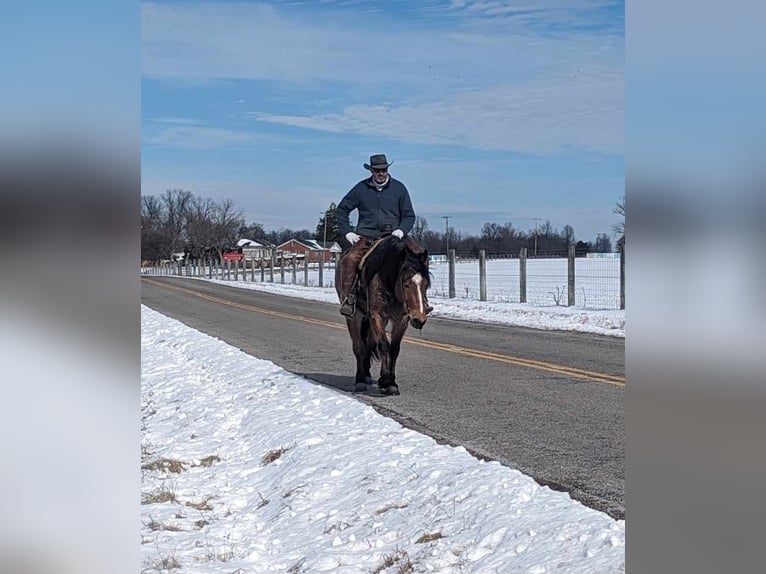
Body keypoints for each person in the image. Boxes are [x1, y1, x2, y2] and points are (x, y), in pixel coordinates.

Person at [335, 153, 427, 317]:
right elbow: (341, 210)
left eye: (383, 170)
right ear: (371, 170)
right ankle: (349, 299)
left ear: (387, 169)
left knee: (420, 255)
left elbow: (409, 215)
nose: (381, 173)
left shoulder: (399, 189)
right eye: (377, 170)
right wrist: (348, 232)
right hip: (367, 237)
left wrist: (401, 230)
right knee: (349, 260)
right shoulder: (360, 189)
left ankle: (422, 300)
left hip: (394, 236)